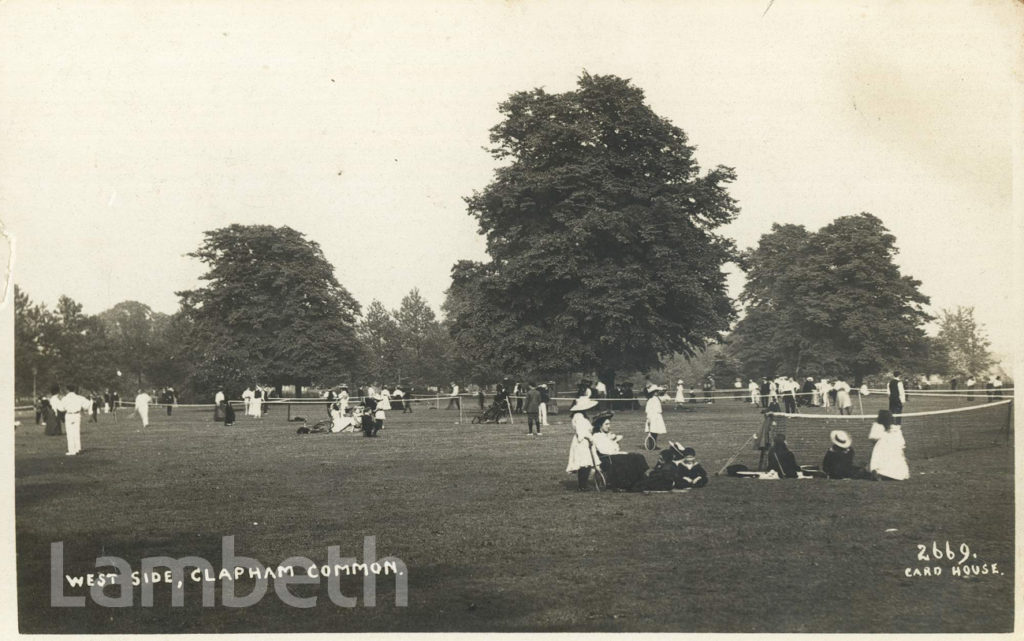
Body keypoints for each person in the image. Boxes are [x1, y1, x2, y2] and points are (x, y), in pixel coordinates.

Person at [589, 414, 649, 490]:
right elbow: (605, 451)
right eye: (606, 424)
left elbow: (615, 449)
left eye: (609, 424)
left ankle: (641, 478)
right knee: (632, 458)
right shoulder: (597, 436)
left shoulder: (606, 435)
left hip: (613, 456)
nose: (609, 426)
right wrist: (613, 442)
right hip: (606, 459)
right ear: (600, 425)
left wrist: (614, 441)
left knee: (638, 456)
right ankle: (633, 481)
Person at [566, 396, 600, 491]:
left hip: (583, 440)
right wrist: (590, 439)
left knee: (585, 463)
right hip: (582, 441)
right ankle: (582, 485)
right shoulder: (579, 417)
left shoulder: (580, 415)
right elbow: (582, 431)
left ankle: (583, 485)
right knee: (584, 463)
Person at [868, 409, 909, 480]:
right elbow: (902, 444)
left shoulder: (878, 428)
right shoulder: (896, 430)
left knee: (879, 455)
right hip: (894, 453)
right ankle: (889, 472)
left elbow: (872, 439)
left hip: (882, 452)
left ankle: (879, 471)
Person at [56, 384, 91, 456]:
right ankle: (78, 449)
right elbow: (87, 404)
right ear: (74, 389)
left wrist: (59, 401)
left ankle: (72, 450)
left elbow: (61, 409)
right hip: (77, 415)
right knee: (76, 432)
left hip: (69, 415)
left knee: (70, 433)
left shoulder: (65, 398)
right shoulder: (80, 397)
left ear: (67, 390)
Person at [644, 384, 667, 449]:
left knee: (655, 432)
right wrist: (649, 419)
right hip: (652, 417)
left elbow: (664, 398)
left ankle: (654, 445)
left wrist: (665, 390)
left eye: (657, 391)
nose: (657, 392)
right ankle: (651, 446)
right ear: (653, 392)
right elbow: (648, 410)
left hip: (657, 417)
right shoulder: (651, 400)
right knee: (652, 432)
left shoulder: (657, 398)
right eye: (656, 391)